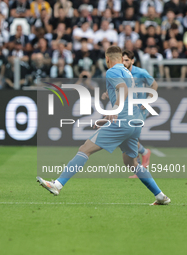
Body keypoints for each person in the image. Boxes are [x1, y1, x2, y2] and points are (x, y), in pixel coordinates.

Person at [36, 46, 171, 206]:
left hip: (122, 121)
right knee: (131, 163)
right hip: (134, 123)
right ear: (122, 59)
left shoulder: (112, 71)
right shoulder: (128, 72)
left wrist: (115, 108)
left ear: (107, 59)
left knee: (85, 149)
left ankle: (57, 184)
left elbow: (123, 89)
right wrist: (107, 119)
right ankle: (161, 196)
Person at [121, 50, 158, 178]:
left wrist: (148, 100)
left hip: (140, 109)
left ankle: (139, 166)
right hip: (127, 108)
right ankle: (144, 152)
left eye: (127, 60)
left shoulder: (141, 72)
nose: (124, 62)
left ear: (132, 61)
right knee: (127, 136)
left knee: (130, 135)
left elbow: (154, 85)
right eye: (122, 60)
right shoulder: (121, 73)